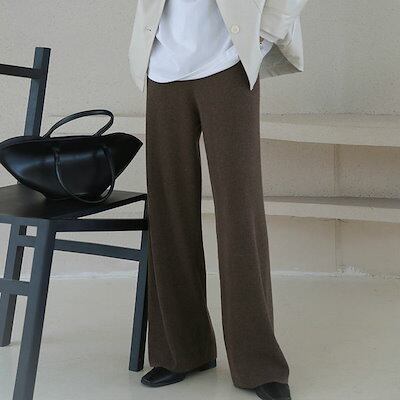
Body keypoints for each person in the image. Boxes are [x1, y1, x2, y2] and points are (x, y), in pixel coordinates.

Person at [128, 1, 309, 399]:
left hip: (227, 60)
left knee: (239, 213)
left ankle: (258, 363)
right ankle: (181, 352)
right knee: (168, 211)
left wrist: (266, 33)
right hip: (163, 66)